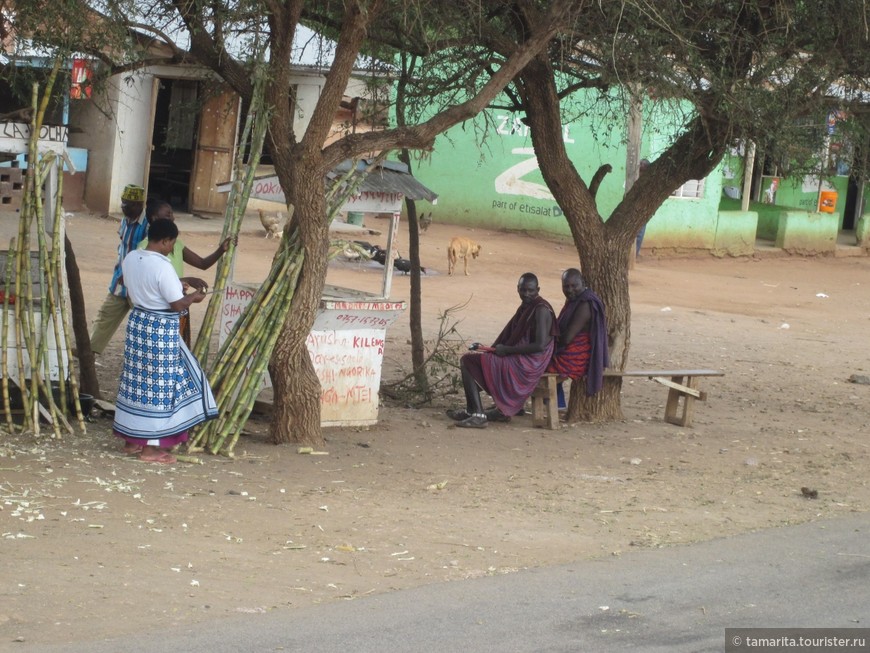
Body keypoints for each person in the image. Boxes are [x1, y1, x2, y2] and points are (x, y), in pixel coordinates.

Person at [113, 218, 218, 464]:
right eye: (172, 244)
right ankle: (150, 449)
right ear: (165, 241)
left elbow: (131, 285)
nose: (172, 248)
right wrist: (194, 297)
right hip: (160, 330)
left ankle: (131, 441)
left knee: (135, 382)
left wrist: (177, 286)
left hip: (138, 324)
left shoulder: (131, 257)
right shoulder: (163, 266)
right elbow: (176, 304)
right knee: (159, 387)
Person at [447, 272, 558, 429]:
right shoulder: (526, 307)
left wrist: (507, 350)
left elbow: (539, 346)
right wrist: (492, 349)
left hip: (531, 362)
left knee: (468, 361)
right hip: (519, 356)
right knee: (477, 360)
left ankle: (478, 415)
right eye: (523, 290)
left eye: (530, 290)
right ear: (517, 289)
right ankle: (473, 410)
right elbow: (510, 335)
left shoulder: (541, 309)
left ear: (538, 290)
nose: (526, 294)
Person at [138, 200, 235, 346]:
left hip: (180, 304)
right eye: (168, 214)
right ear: (154, 218)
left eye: (172, 214)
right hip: (161, 310)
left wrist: (221, 250)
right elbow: (148, 280)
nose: (173, 218)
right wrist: (187, 280)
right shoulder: (143, 249)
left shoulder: (176, 244)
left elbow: (202, 264)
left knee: (180, 348)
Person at [88, 184, 149, 354]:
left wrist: (132, 272)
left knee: (143, 325)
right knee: (105, 316)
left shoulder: (149, 224)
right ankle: (90, 352)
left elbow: (150, 255)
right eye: (122, 203)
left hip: (139, 285)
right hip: (120, 281)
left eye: (127, 204)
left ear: (139, 205)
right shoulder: (124, 220)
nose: (123, 207)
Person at [546, 268, 609, 407]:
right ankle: (558, 403)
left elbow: (567, 338)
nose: (570, 290)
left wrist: (548, 342)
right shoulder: (574, 300)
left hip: (577, 356)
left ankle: (555, 403)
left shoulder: (585, 304)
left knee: (537, 363)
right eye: (566, 286)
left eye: (574, 286)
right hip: (567, 351)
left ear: (583, 283)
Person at [635, 158, 651, 257]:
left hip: (643, 210)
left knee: (639, 233)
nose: (641, 167)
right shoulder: (632, 177)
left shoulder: (650, 180)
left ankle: (634, 254)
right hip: (632, 208)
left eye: (642, 165)